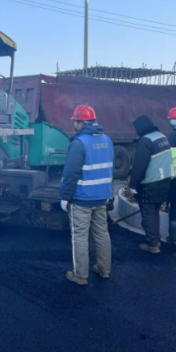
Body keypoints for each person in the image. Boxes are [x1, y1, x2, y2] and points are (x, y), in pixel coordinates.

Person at [59, 105, 114, 285]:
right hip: (102, 197)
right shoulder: (107, 140)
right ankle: (104, 270)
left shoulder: (79, 143)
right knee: (102, 234)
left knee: (80, 236)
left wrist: (65, 197)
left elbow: (71, 174)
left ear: (81, 123)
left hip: (82, 199)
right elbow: (109, 169)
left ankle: (80, 275)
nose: (74, 124)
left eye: (75, 121)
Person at [129, 115, 173, 254]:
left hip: (150, 183)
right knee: (155, 212)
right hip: (164, 181)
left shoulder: (145, 141)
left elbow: (139, 166)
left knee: (148, 214)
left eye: (137, 128)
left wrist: (133, 185)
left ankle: (152, 244)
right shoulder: (161, 137)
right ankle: (156, 239)